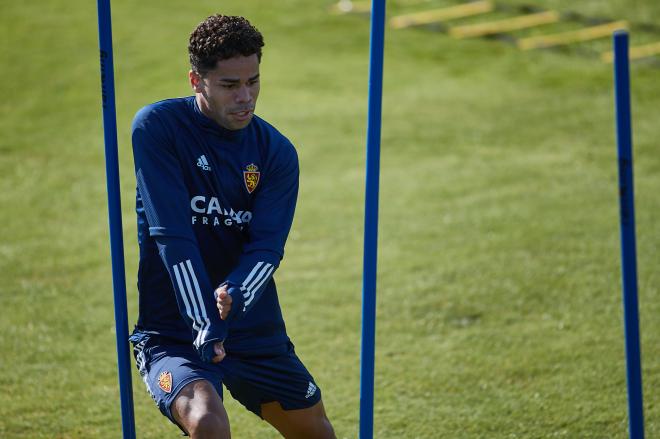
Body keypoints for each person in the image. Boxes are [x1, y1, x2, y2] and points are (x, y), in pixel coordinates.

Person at [128, 14, 336, 439]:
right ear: (195, 80)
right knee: (207, 421)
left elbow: (266, 249)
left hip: (251, 326)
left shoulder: (276, 153)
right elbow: (171, 237)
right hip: (174, 329)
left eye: (253, 81)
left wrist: (236, 294)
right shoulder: (158, 128)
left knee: (316, 433)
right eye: (229, 85)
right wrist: (205, 321)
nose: (246, 97)